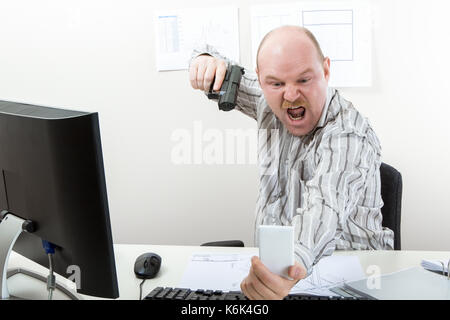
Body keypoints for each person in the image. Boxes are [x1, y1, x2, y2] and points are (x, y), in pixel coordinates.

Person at [188, 25, 394, 300]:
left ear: (326, 71)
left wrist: (285, 270)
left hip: (355, 281)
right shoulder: (267, 99)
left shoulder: (348, 134)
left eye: (304, 80)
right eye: (276, 84)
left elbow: (324, 209)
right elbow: (220, 69)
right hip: (281, 278)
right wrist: (204, 60)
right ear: (261, 81)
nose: (291, 95)